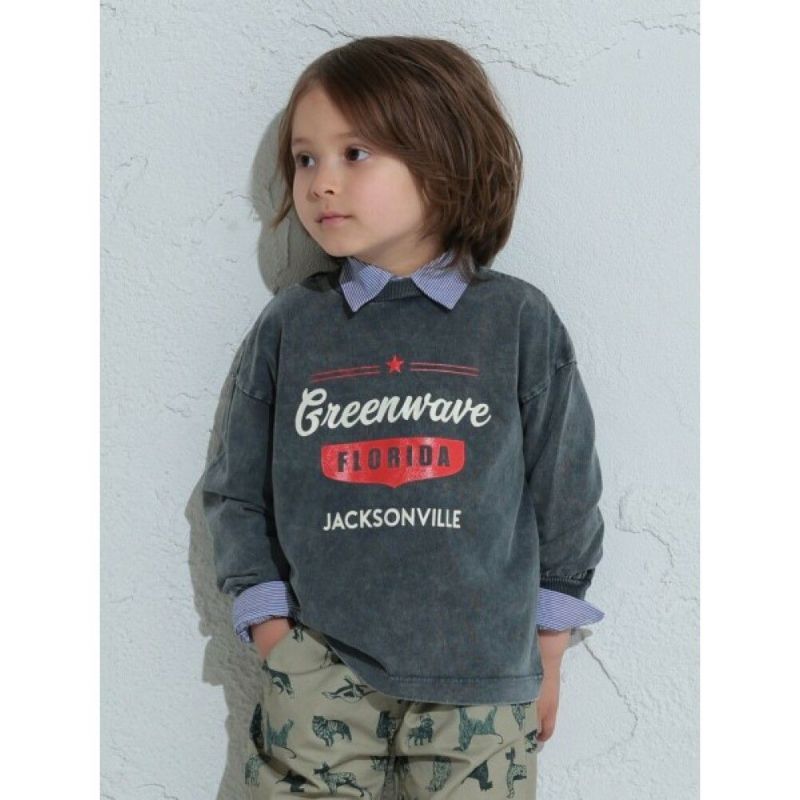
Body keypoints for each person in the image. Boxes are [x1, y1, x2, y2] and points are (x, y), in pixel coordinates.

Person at [202, 35, 606, 799]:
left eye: (355, 153)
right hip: (320, 666)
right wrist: (271, 633)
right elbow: (236, 487)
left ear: (446, 156)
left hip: (483, 675)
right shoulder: (294, 325)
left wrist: (547, 648)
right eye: (305, 158)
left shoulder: (516, 321)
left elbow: (567, 491)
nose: (322, 182)